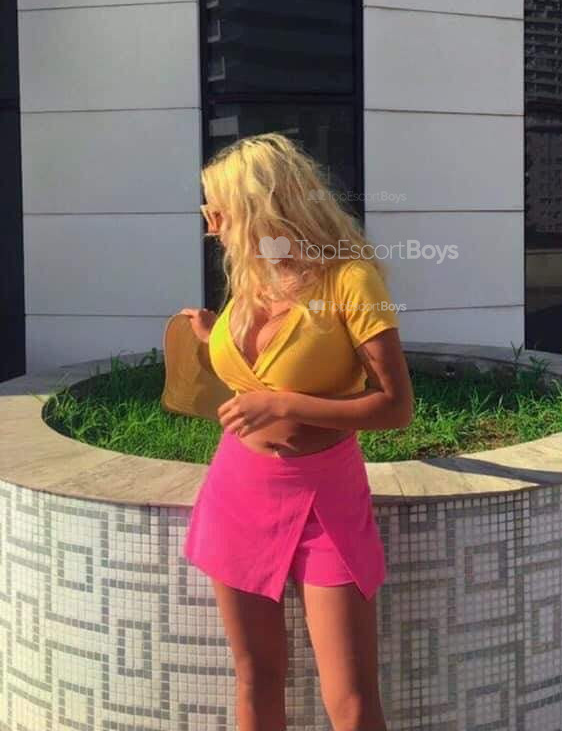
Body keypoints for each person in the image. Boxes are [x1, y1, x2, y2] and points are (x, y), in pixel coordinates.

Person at [180, 132, 413, 731]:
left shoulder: (350, 281)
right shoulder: (252, 278)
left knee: (351, 700)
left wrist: (285, 404)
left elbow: (395, 407)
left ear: (259, 206)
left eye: (217, 210)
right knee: (255, 676)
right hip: (238, 488)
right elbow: (262, 362)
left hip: (323, 500)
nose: (210, 225)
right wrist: (213, 335)